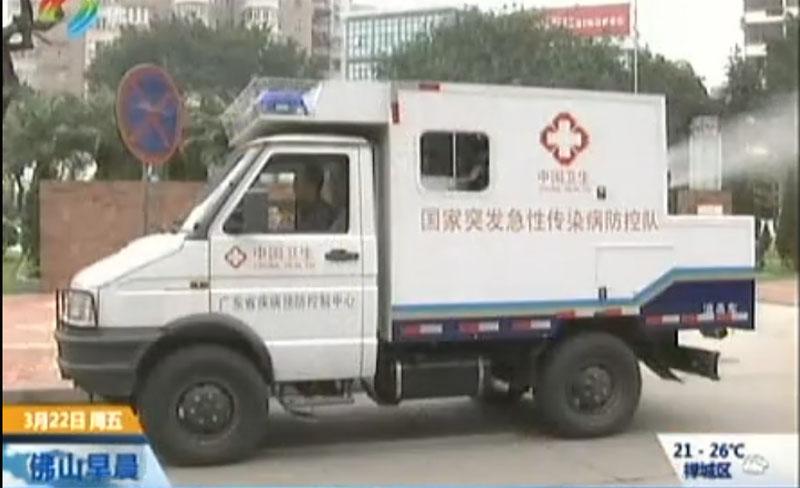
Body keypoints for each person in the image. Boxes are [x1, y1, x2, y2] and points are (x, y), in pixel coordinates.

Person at [294, 164, 337, 232]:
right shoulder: (305, 212)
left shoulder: (322, 217)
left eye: (297, 183)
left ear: (311, 186)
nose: (294, 189)